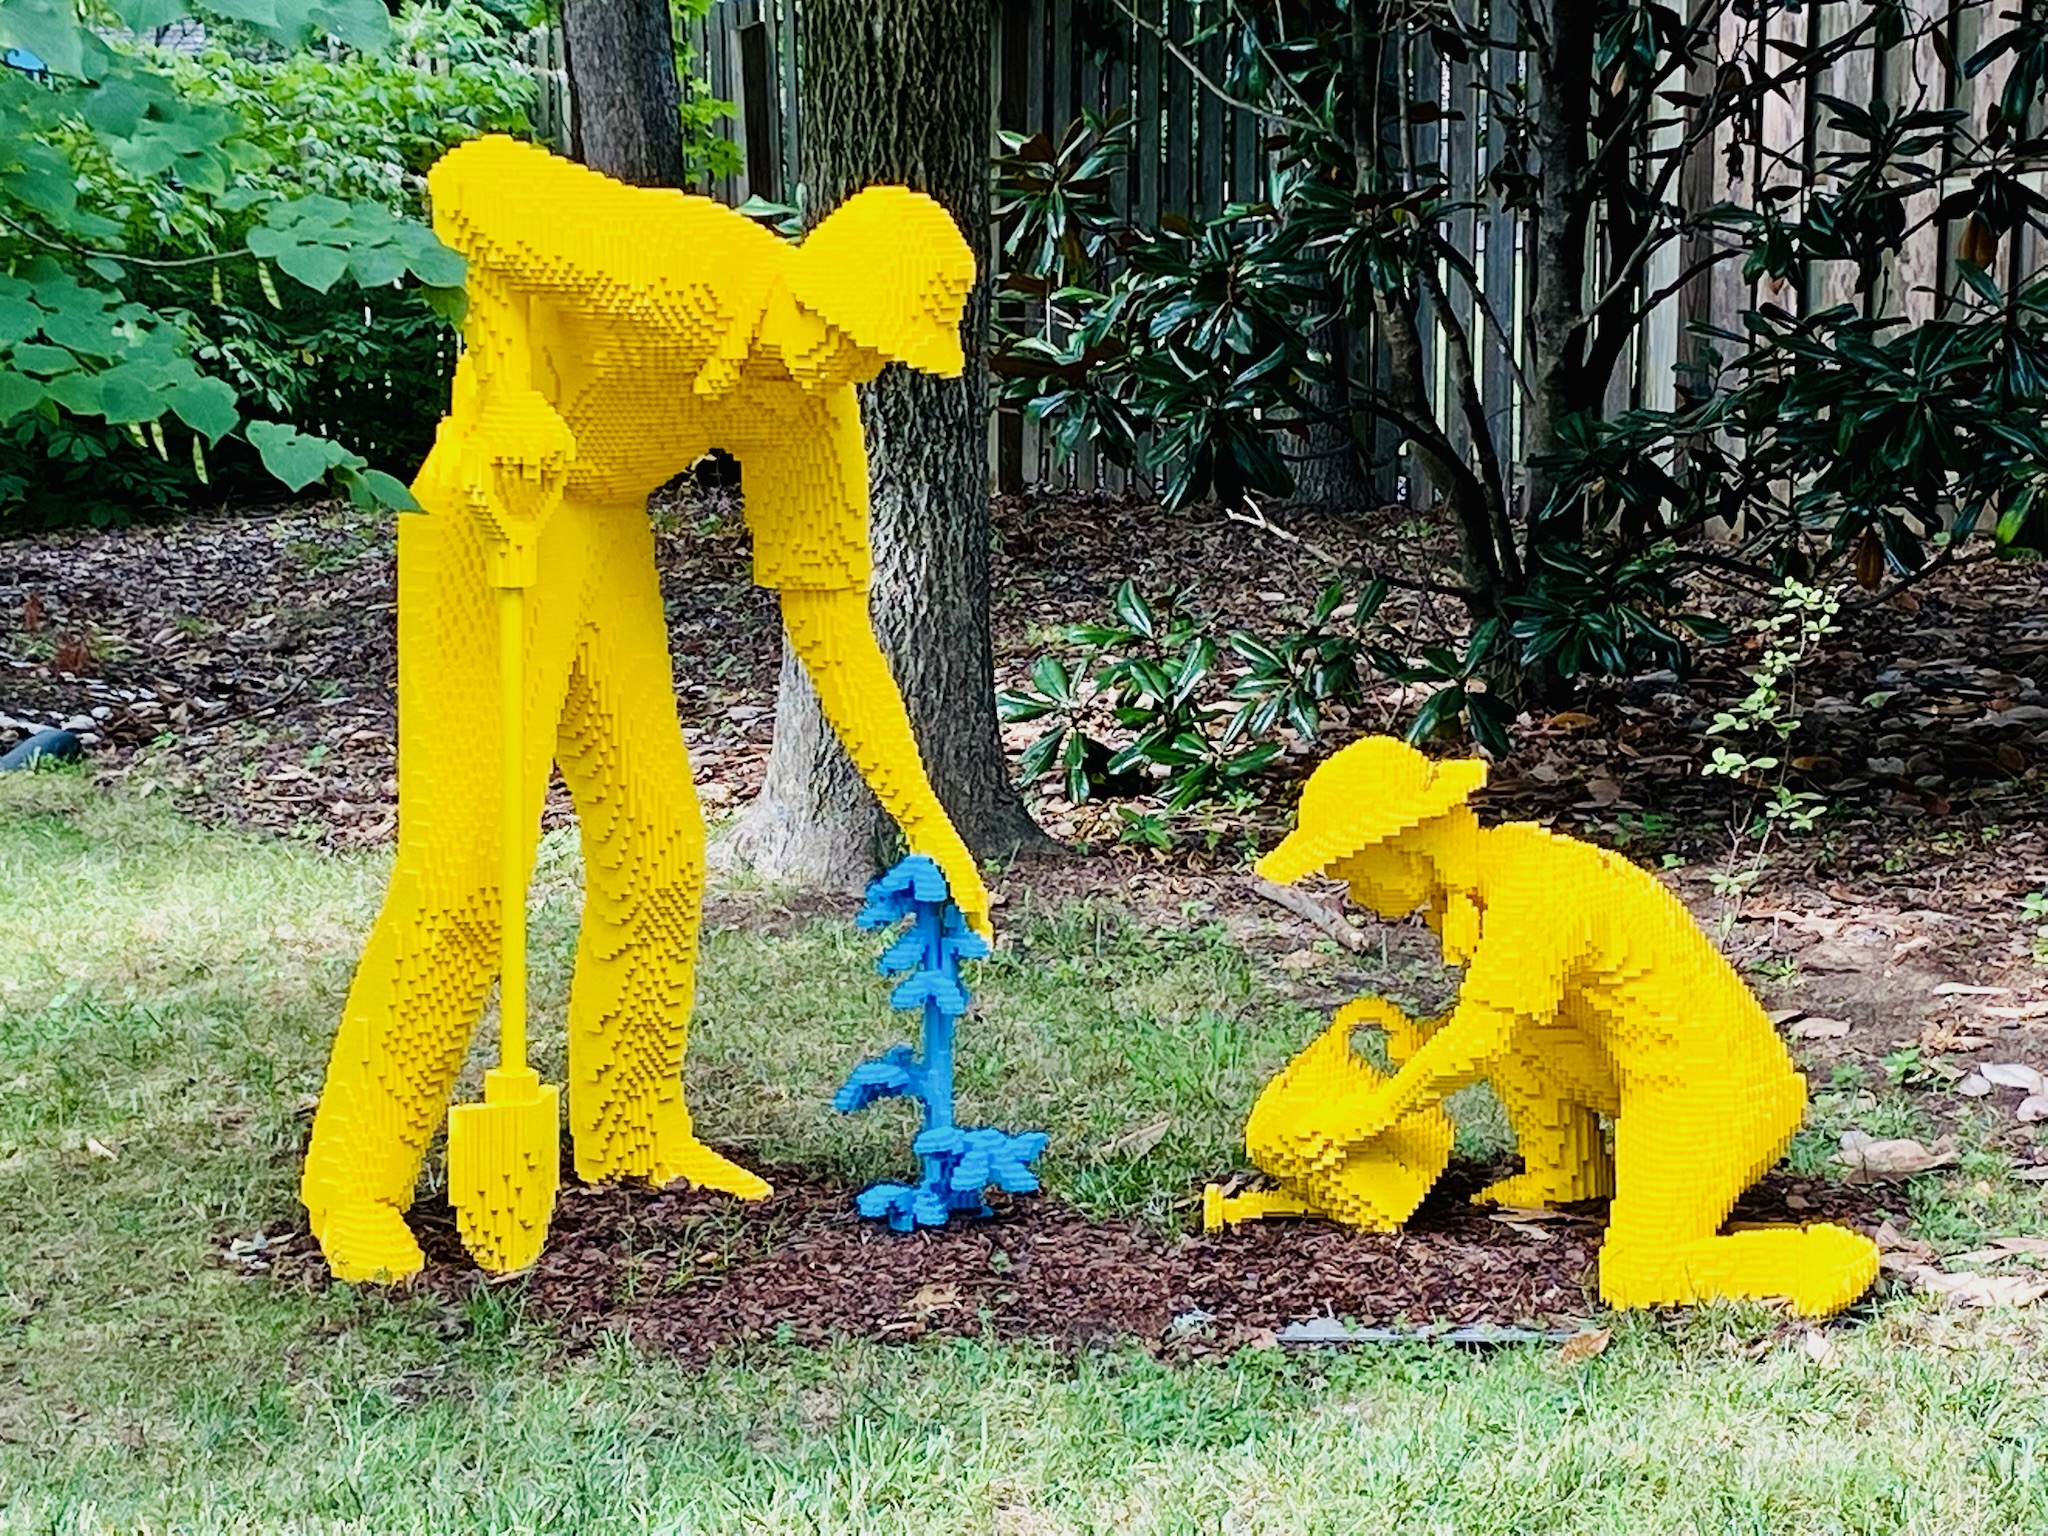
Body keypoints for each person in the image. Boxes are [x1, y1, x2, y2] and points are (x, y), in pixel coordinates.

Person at [302, 136, 991, 1283]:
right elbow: (471, 185)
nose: (839, 365)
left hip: (602, 524)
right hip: (491, 506)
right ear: (808, 274)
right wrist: (510, 398)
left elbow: (829, 624)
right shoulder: (682, 265)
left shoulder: (808, 413)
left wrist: (926, 823)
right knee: (469, 877)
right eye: (839, 326)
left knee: (662, 846)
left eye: (872, 356)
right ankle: (355, 1181)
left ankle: (630, 1132)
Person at [1247, 735, 1879, 1317]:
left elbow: (1477, 1040)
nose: (1350, 892)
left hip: (1710, 1091)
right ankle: (1567, 1170)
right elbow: (1489, 1021)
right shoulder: (1483, 884)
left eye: (1351, 872)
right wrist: (1423, 1042)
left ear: (1403, 845)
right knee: (1507, 1019)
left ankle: (1820, 1260)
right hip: (1639, 1067)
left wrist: (1373, 1115)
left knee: (1638, 1275)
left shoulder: (1535, 893)